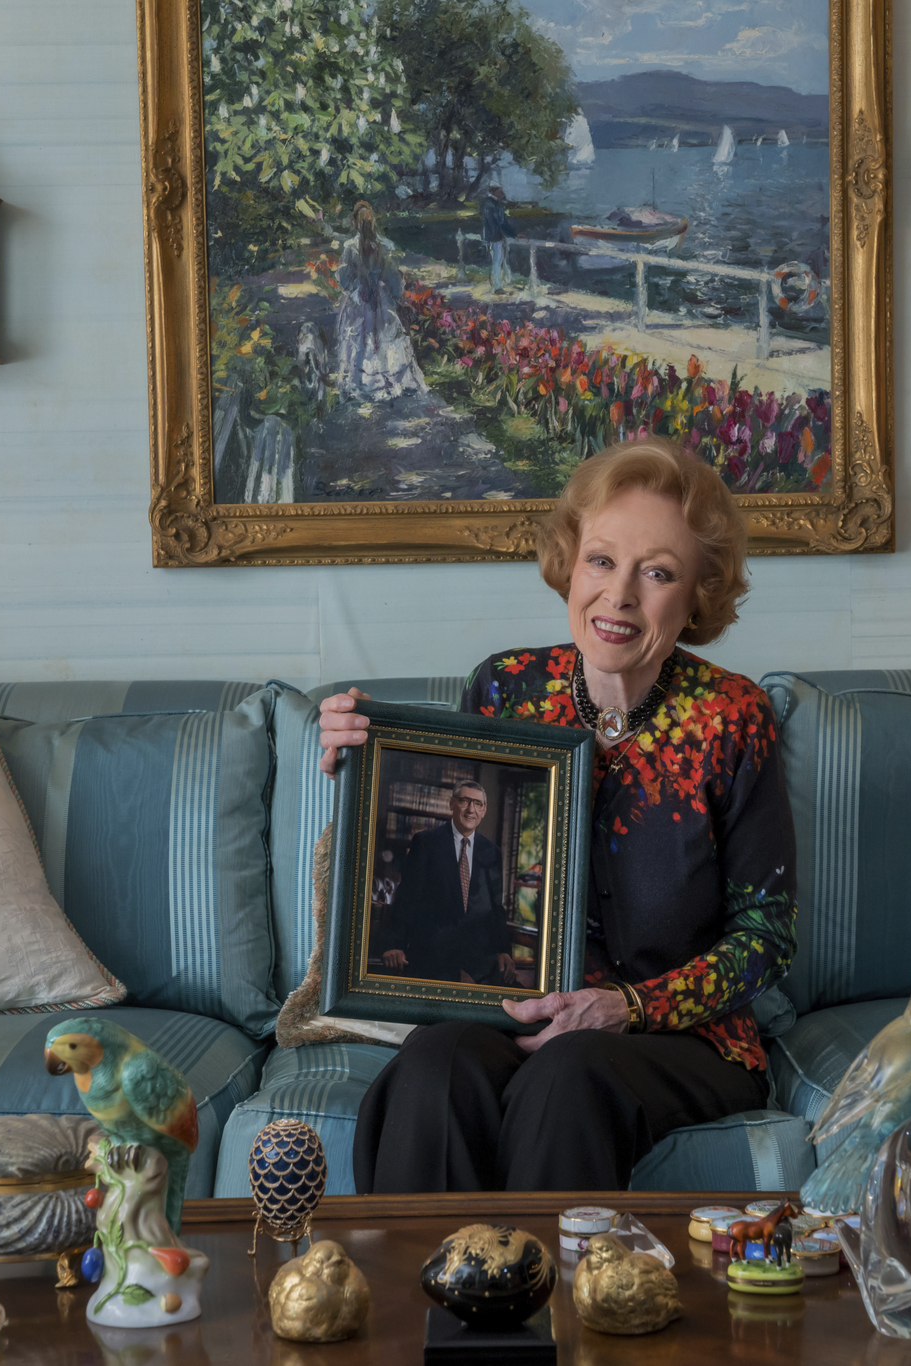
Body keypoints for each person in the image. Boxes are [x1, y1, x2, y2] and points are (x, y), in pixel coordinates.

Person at [318, 437, 798, 1192]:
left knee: (570, 1073)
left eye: (659, 572)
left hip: (675, 1037)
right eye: (603, 561)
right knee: (436, 1065)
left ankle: (561, 1306)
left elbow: (766, 937)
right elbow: (446, 836)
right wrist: (361, 749)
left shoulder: (734, 717)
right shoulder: (506, 686)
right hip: (512, 1015)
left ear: (698, 592)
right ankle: (425, 1305)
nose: (621, 597)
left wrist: (626, 1006)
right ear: (570, 563)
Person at [378, 781, 513, 983]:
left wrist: (503, 950)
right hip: (432, 957)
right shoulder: (425, 843)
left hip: (477, 961)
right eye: (464, 801)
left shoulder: (491, 852)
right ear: (451, 804)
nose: (471, 809)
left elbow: (495, 907)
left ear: (484, 810)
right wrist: (393, 945)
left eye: (477, 803)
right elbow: (407, 897)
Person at [335, 200, 426, 402]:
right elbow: (394, 277)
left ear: (353, 223)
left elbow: (344, 278)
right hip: (379, 298)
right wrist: (397, 298)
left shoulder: (350, 247)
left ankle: (362, 381)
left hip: (361, 300)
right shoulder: (384, 246)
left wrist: (354, 290)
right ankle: (387, 379)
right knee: (382, 339)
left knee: (360, 340)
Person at [480, 185, 516, 293]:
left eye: (501, 189)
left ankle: (504, 281)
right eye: (499, 189)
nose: (501, 191)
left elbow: (503, 221)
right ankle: (496, 286)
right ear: (493, 191)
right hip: (494, 236)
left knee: (502, 259)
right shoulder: (488, 203)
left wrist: (514, 234)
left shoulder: (498, 204)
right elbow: (493, 222)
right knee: (497, 260)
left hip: (499, 235)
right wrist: (497, 235)